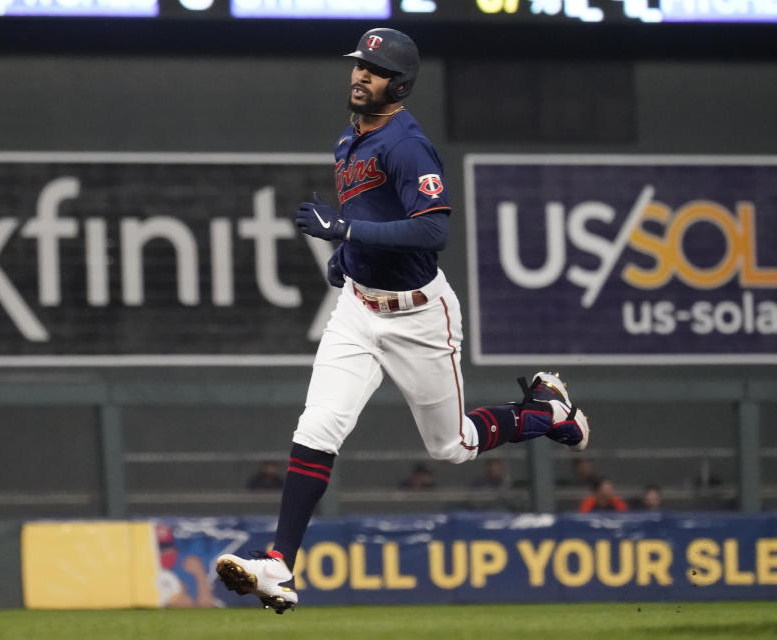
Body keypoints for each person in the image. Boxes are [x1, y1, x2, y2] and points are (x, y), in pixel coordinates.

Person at [215, 27, 590, 614]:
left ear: (402, 83)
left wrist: (342, 231)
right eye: (359, 65)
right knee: (317, 427)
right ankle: (277, 565)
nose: (360, 75)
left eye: (375, 69)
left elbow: (432, 230)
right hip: (359, 309)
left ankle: (545, 412)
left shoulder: (406, 144)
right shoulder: (349, 140)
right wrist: (348, 255)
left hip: (419, 316)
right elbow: (371, 214)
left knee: (451, 446)